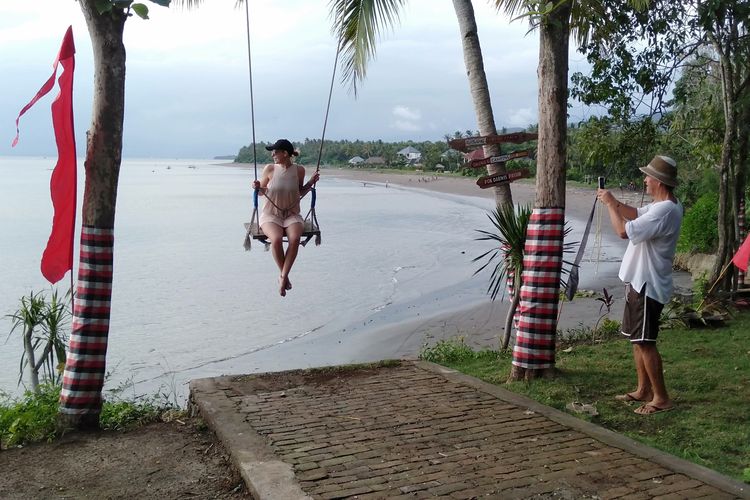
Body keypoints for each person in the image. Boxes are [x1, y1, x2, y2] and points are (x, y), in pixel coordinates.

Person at [597, 155, 683, 415]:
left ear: (658, 181)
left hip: (648, 283)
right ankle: (643, 389)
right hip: (639, 280)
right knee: (637, 339)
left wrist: (611, 204)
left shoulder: (665, 210)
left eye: (648, 177)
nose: (644, 180)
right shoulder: (662, 206)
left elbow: (624, 231)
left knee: (646, 341)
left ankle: (661, 398)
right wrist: (613, 201)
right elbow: (634, 214)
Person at [253, 139, 319, 297]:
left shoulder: (299, 170)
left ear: (285, 153)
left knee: (295, 239)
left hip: (292, 214)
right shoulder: (269, 169)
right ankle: (284, 277)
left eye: (275, 151)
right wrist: (257, 187)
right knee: (275, 239)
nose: (272, 154)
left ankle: (282, 277)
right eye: (272, 152)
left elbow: (299, 193)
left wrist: (311, 182)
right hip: (271, 214)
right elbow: (262, 192)